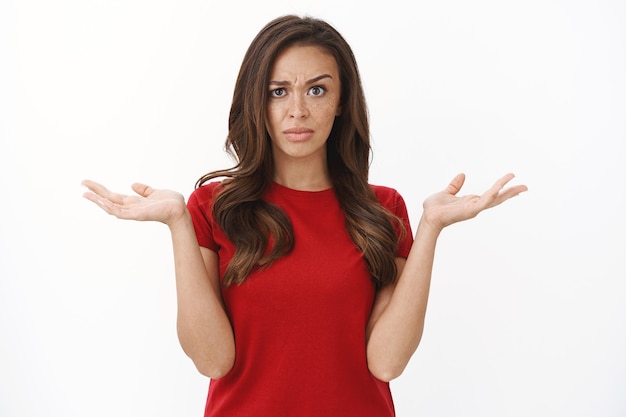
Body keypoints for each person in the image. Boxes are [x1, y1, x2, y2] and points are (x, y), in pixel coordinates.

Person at [82, 14, 527, 417]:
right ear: (256, 102)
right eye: (279, 92)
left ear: (340, 101)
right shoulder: (211, 208)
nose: (298, 110)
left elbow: (387, 362)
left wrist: (430, 229)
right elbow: (211, 360)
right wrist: (177, 222)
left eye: (317, 89)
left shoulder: (383, 210)